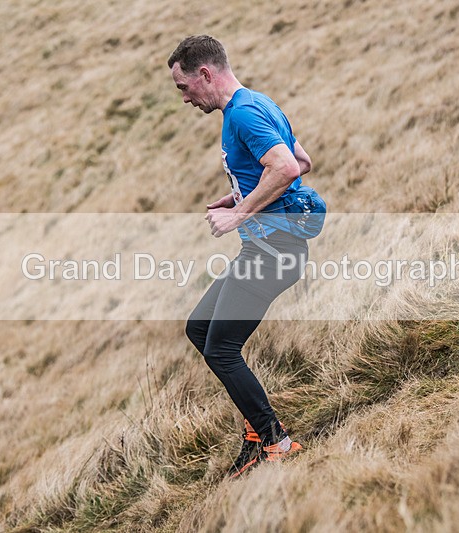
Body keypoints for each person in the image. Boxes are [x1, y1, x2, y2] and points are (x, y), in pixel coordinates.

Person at [168, 35, 313, 478]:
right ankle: (258, 434)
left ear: (205, 74)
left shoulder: (244, 114)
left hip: (276, 251)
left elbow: (287, 168)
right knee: (200, 327)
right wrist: (239, 196)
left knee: (222, 349)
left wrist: (241, 213)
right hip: (268, 247)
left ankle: (275, 440)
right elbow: (302, 160)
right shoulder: (257, 102)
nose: (186, 98)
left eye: (184, 87)